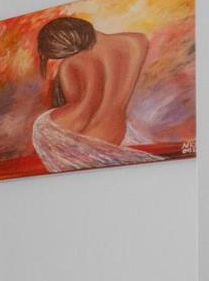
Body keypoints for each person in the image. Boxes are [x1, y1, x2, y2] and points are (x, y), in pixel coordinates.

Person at [30, 16, 159, 172]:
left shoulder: (69, 64)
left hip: (69, 129)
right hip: (116, 133)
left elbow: (80, 106)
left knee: (40, 126)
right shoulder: (137, 42)